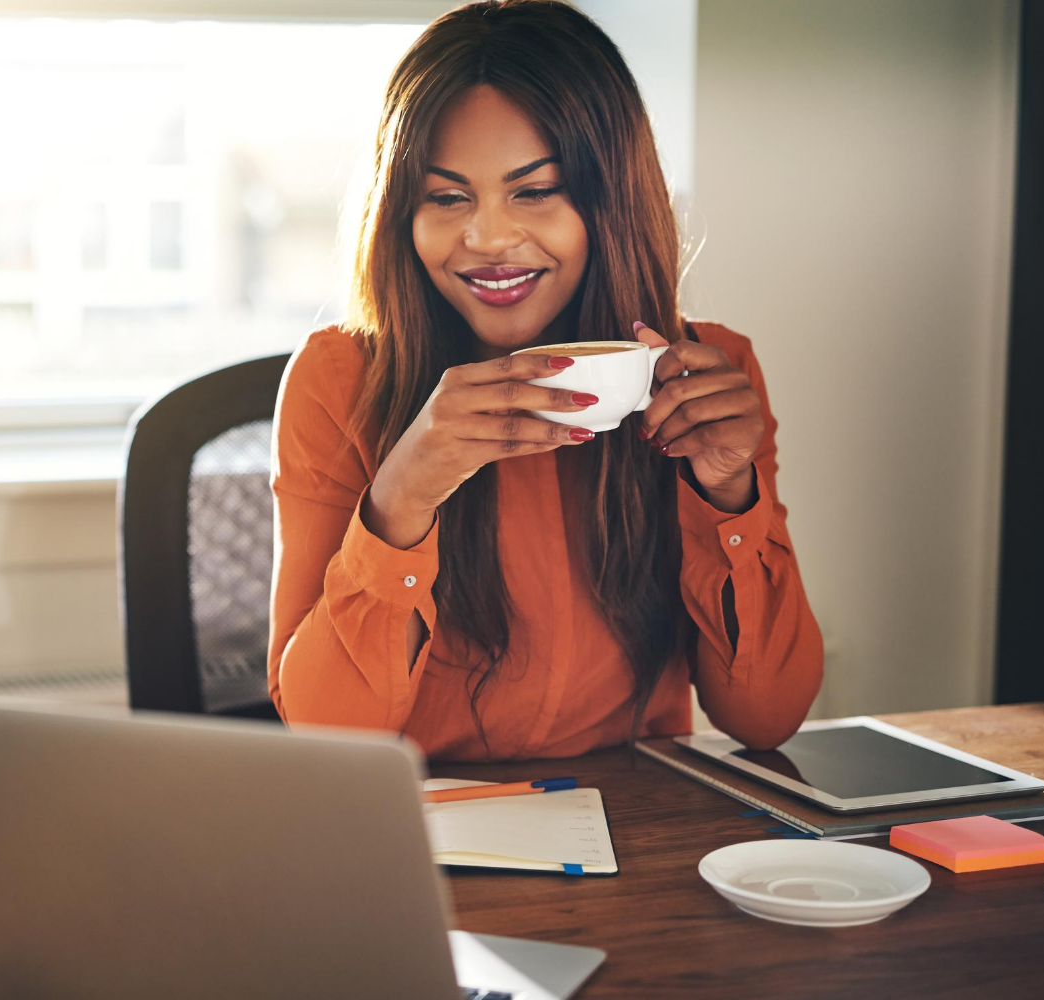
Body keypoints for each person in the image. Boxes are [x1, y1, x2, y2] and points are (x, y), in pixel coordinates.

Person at [267, 0, 822, 760]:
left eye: (534, 191)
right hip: (423, 840)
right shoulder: (338, 381)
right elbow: (324, 737)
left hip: (634, 836)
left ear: (611, 201)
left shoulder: (706, 373)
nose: (489, 238)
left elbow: (766, 717)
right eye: (446, 197)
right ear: (403, 212)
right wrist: (402, 498)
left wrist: (729, 493)